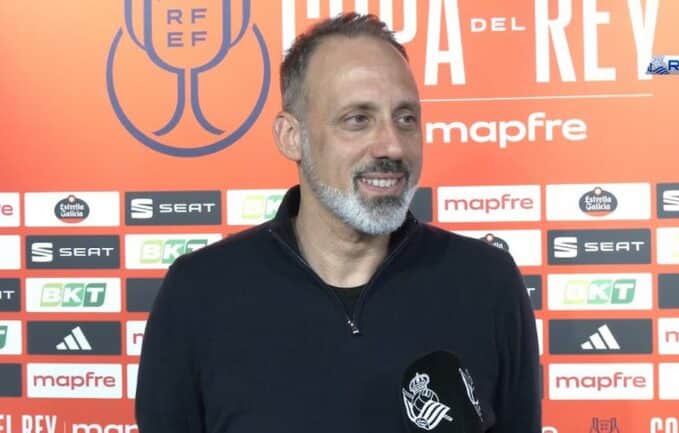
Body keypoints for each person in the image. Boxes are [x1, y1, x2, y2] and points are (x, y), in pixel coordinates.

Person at [135, 13, 541, 433]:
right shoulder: (199, 291)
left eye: (406, 118)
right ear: (292, 136)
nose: (392, 145)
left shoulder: (487, 282)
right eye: (357, 119)